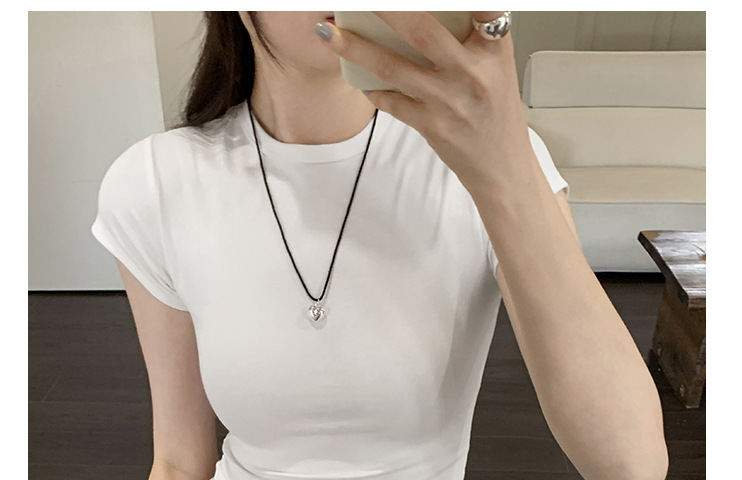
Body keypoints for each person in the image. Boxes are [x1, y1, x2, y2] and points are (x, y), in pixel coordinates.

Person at [92, 11, 665, 480]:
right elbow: (178, 460)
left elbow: (631, 464)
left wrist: (505, 160)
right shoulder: (154, 181)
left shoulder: (488, 160)